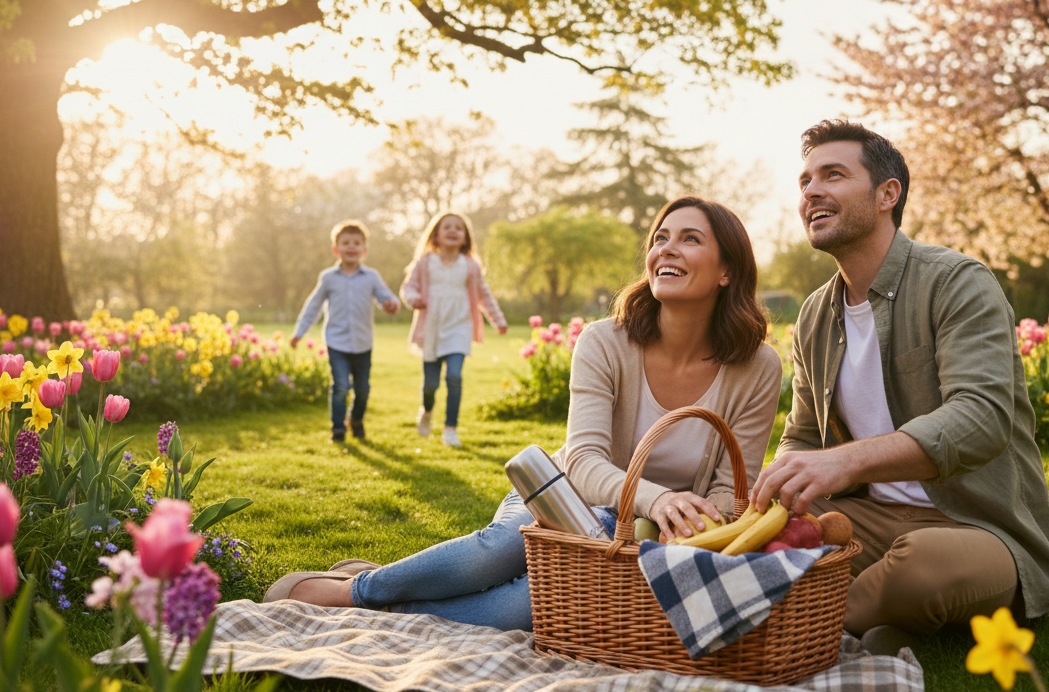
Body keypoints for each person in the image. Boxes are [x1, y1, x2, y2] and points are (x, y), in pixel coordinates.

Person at [264, 197, 783, 633]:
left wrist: (694, 529)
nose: (666, 248)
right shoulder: (606, 341)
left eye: (690, 239)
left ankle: (377, 599)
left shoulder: (757, 366)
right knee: (496, 555)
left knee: (527, 607)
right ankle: (358, 590)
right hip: (565, 493)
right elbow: (581, 460)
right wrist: (659, 496)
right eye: (660, 238)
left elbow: (732, 487)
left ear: (727, 271)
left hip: (651, 534)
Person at [752, 120, 1049, 656]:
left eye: (833, 174)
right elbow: (803, 436)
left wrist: (846, 463)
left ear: (886, 194)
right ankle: (879, 628)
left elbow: (979, 418)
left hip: (976, 526)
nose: (811, 192)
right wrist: (784, 483)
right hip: (867, 519)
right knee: (752, 533)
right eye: (805, 181)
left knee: (919, 572)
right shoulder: (814, 315)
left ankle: (786, 624)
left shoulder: (957, 282)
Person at [399, 211, 507, 448]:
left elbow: (484, 295)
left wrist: (497, 319)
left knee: (454, 376)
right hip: (431, 329)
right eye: (447, 227)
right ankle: (427, 411)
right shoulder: (425, 263)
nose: (452, 231)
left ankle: (450, 429)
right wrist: (414, 298)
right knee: (431, 385)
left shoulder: (469, 266)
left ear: (465, 237)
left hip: (459, 327)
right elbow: (409, 287)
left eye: (458, 228)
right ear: (436, 234)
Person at [291, 220, 401, 443]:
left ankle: (357, 419)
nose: (351, 247)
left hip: (363, 342)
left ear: (364, 250)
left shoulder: (371, 276)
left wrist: (391, 304)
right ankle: (338, 428)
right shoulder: (328, 278)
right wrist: (299, 332)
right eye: (346, 243)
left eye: (357, 243)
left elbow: (386, 297)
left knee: (362, 390)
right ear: (336, 249)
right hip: (337, 342)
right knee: (340, 386)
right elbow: (313, 306)